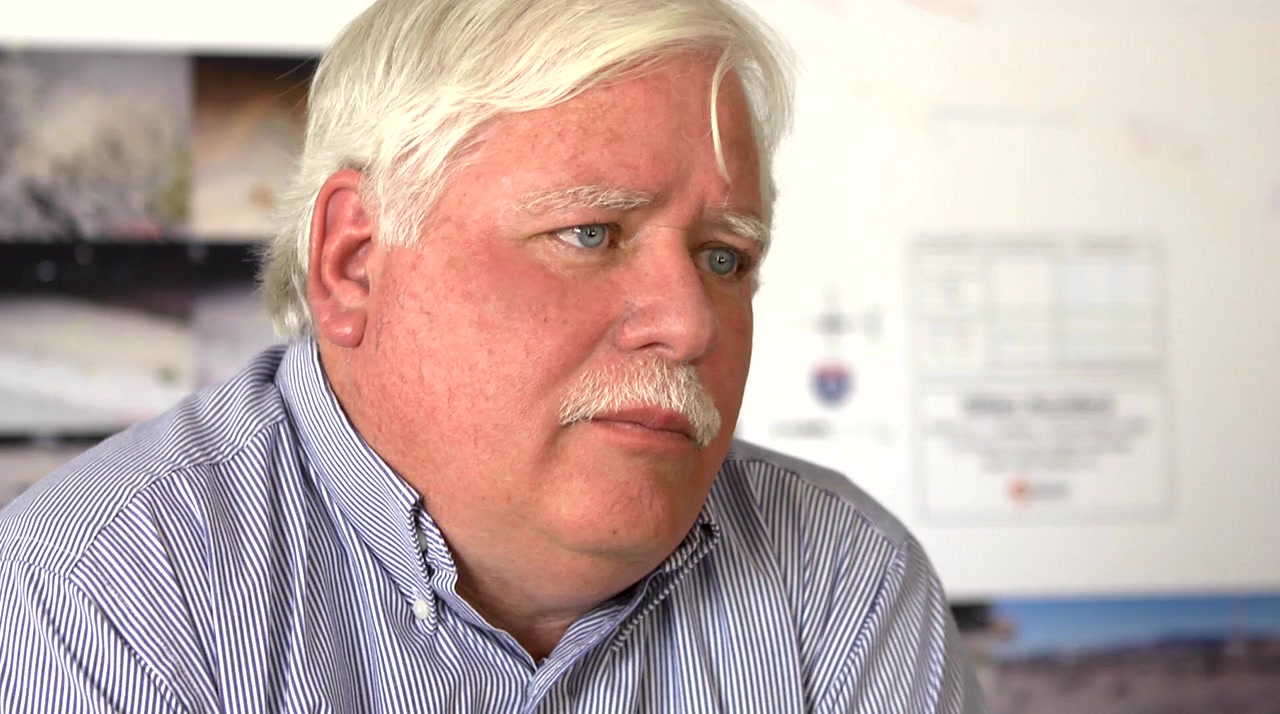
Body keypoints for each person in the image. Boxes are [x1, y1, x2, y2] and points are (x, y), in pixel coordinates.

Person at [0, 0, 985, 711]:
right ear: (352, 262)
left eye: (723, 256)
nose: (690, 325)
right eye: (590, 233)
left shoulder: (840, 579)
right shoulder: (96, 594)